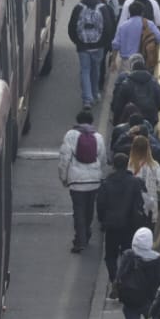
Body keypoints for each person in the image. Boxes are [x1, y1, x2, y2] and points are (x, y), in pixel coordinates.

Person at [59, 109, 105, 254]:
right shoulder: (98, 137)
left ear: (77, 121)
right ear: (91, 122)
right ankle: (87, 231)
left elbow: (65, 158)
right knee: (89, 209)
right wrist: (98, 175)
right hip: (94, 180)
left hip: (77, 181)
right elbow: (102, 159)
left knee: (78, 210)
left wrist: (64, 177)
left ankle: (80, 239)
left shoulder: (70, 135)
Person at [98, 154, 150, 282]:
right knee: (129, 254)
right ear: (127, 165)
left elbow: (100, 204)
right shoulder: (135, 182)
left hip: (112, 225)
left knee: (110, 256)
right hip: (130, 224)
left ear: (114, 166)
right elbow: (142, 203)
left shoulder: (106, 183)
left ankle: (114, 279)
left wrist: (102, 221)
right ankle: (125, 280)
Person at [68, 0, 118, 109]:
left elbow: (71, 28)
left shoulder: (78, 7)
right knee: (96, 69)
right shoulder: (103, 8)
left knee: (85, 70)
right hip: (99, 45)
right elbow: (109, 27)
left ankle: (87, 99)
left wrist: (78, 42)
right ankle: (95, 94)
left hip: (83, 46)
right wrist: (105, 43)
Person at [113, 55, 160, 128]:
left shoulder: (126, 83)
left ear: (131, 67)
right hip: (150, 118)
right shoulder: (153, 82)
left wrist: (116, 122)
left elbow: (118, 105)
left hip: (130, 118)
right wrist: (154, 109)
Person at [112, 0, 160, 71]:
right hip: (142, 62)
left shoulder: (123, 26)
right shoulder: (148, 24)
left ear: (129, 12)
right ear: (142, 13)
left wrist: (113, 61)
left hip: (126, 62)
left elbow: (115, 45)